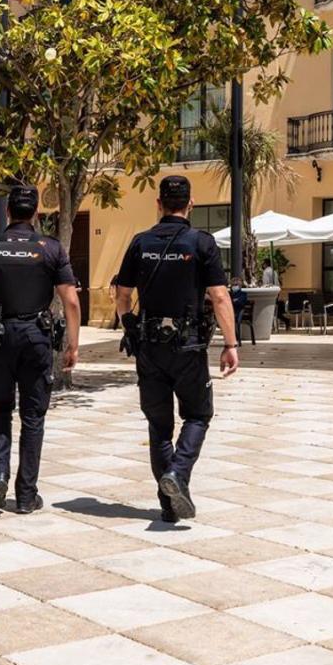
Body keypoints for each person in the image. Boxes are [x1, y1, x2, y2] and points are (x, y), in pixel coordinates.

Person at [113, 176, 240, 523]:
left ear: (159, 204)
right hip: (188, 346)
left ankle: (169, 505)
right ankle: (178, 473)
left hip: (149, 346)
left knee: (159, 426)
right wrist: (230, 344)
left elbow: (122, 295)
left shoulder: (140, 242)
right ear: (190, 204)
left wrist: (129, 326)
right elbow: (219, 296)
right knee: (198, 415)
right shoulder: (201, 243)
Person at [0, 185, 81, 514]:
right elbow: (70, 301)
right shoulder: (50, 249)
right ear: (36, 213)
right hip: (36, 338)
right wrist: (73, 345)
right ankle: (26, 496)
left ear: (7, 211)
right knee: (33, 417)